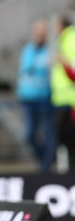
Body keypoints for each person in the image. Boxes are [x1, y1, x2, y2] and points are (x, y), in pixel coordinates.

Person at [16, 19, 56, 173]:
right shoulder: (28, 50)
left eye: (42, 32)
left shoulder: (51, 50)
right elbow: (24, 72)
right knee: (29, 134)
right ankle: (43, 163)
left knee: (47, 135)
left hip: (46, 98)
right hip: (29, 98)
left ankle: (45, 168)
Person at [51, 16, 75, 173]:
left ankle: (67, 174)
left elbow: (73, 72)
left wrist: (63, 62)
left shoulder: (70, 40)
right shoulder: (65, 40)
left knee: (68, 141)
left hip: (69, 102)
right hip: (63, 101)